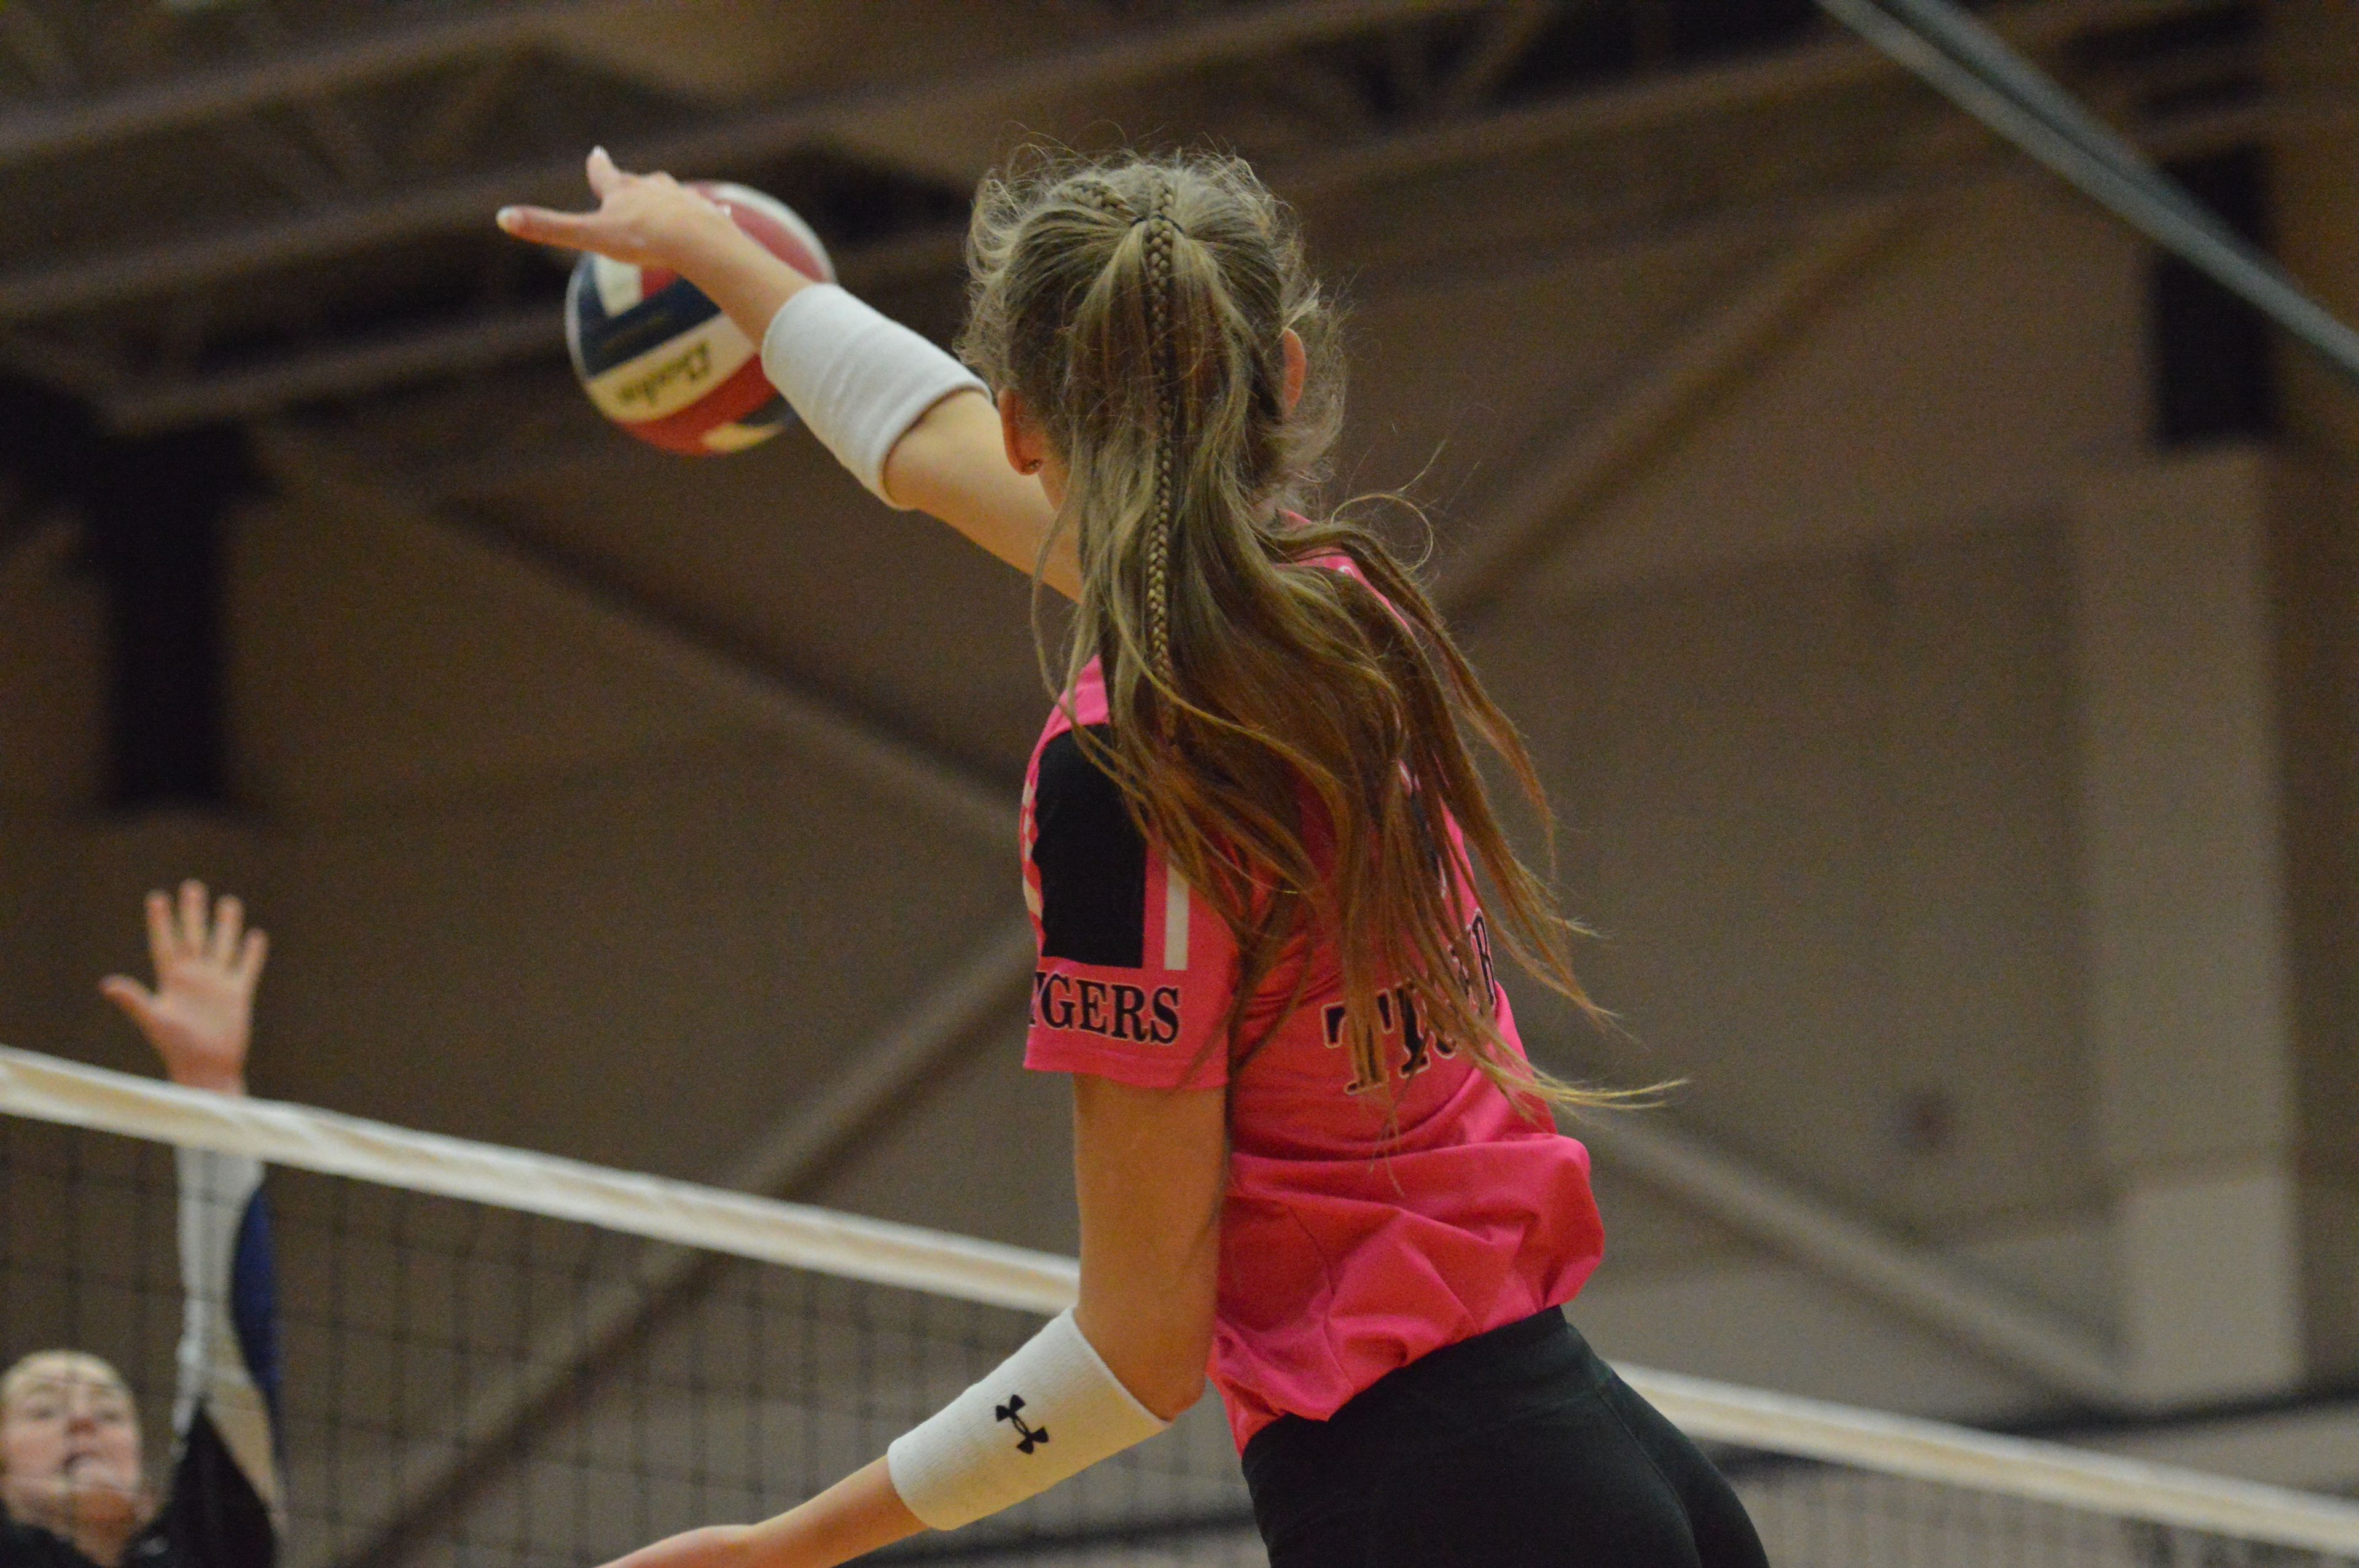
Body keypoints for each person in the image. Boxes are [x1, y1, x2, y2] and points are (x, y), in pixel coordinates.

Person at [498, 147, 1768, 1568]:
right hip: (1607, 1464)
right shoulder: (1344, 610)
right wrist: (715, 254)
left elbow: (1135, 1351)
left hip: (1430, 1507)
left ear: (1026, 422)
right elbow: (921, 449)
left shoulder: (1124, 784)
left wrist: (787, 1544)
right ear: (1281, 374)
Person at [1, 884, 284, 1568]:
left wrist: (211, 1094)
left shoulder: (212, 1549)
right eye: (41, 1411)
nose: (85, 1422)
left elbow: (234, 1354)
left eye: (112, 1410)